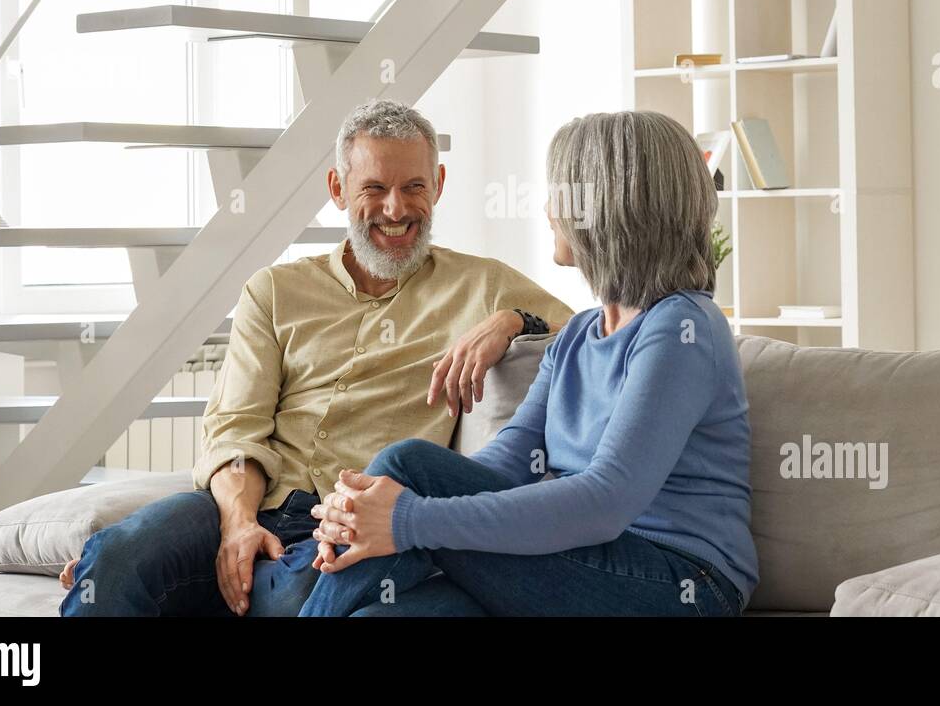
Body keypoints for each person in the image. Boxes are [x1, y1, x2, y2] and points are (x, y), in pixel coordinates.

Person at [58, 100, 571, 616]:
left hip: (346, 523)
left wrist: (514, 321)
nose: (396, 209)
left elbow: (600, 327)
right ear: (338, 190)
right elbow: (237, 429)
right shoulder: (275, 291)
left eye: (413, 186)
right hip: (244, 505)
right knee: (119, 558)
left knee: (294, 595)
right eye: (374, 188)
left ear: (437, 184)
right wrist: (238, 524)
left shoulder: (481, 285)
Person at [299, 110, 759, 617]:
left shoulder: (681, 328)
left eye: (557, 193)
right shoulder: (579, 335)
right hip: (574, 568)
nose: (545, 209)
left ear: (606, 207)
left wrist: (409, 518)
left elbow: (604, 501)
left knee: (409, 465)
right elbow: (503, 465)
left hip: (680, 581)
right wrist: (358, 516)